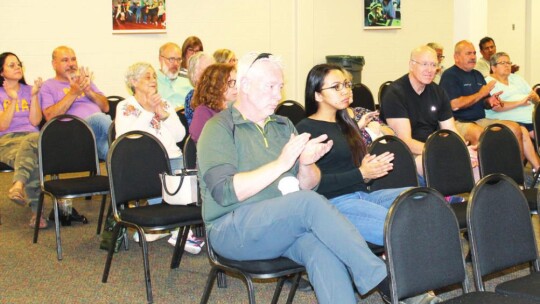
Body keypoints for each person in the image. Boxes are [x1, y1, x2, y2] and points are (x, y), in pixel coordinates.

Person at [197, 52, 389, 304]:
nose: (278, 95)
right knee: (307, 203)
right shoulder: (219, 128)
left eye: (280, 87)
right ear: (244, 85)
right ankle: (382, 278)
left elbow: (308, 184)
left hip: (280, 224)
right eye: (270, 87)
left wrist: (306, 163)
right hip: (231, 229)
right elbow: (225, 192)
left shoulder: (283, 125)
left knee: (322, 250)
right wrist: (282, 163)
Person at [295, 63, 409, 247]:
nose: (345, 91)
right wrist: (361, 173)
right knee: (398, 227)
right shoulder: (306, 129)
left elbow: (357, 174)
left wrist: (370, 171)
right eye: (336, 87)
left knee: (420, 200)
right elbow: (311, 186)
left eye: (346, 85)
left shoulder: (347, 125)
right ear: (317, 95)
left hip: (363, 195)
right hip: (333, 203)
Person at [115, 62, 203, 250]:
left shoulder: (163, 103)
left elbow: (180, 135)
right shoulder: (125, 106)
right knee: (167, 175)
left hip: (173, 159)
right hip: (143, 163)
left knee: (185, 173)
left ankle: (168, 229)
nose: (153, 80)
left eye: (154, 76)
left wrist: (164, 116)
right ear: (133, 82)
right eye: (147, 77)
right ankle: (179, 232)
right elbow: (127, 137)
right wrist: (148, 112)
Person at [440, 40, 540, 171]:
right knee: (481, 134)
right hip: (459, 121)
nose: (473, 57)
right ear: (456, 57)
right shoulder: (450, 75)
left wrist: (490, 101)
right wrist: (481, 93)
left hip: (480, 119)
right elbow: (454, 105)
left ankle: (517, 173)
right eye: (468, 53)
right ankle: (486, 179)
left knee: (517, 128)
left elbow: (485, 102)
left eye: (474, 53)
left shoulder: (477, 75)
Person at [382, 45, 475, 175]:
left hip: (433, 148)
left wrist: (463, 149)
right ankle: (443, 195)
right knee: (434, 161)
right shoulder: (395, 93)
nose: (429, 70)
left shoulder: (438, 92)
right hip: (406, 154)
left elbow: (451, 129)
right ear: (411, 65)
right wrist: (441, 150)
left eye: (433, 65)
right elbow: (405, 141)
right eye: (424, 64)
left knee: (474, 163)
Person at [40, 46, 111, 161]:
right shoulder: (48, 86)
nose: (71, 64)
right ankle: (122, 141)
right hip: (72, 132)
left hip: (96, 135)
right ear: (54, 64)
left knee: (114, 151)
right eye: (65, 60)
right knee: (100, 118)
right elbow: (49, 116)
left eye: (73, 59)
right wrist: (73, 93)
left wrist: (88, 91)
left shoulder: (85, 81)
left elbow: (106, 107)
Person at [0, 52, 46, 228]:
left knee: (33, 139)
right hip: (7, 141)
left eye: (18, 64)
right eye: (11, 65)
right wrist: (13, 99)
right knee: (33, 160)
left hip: (32, 138)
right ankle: (37, 213)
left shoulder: (31, 90)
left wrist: (34, 96)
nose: (17, 67)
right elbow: (3, 126)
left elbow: (35, 122)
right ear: (1, 72)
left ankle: (18, 185)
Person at [485, 52, 540, 139]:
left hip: (532, 115)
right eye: (503, 63)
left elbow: (534, 97)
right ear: (493, 68)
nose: (507, 65)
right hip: (515, 118)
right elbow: (497, 107)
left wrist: (535, 97)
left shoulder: (516, 78)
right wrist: (520, 103)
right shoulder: (489, 82)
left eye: (508, 63)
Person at [189, 63, 237, 143]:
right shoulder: (203, 112)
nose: (236, 87)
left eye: (236, 82)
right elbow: (201, 140)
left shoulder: (236, 109)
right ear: (216, 85)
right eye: (230, 82)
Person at [157, 42, 192, 110]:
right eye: (172, 59)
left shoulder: (188, 81)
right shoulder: (152, 82)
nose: (176, 63)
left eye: (179, 59)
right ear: (160, 59)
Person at [183, 52, 214, 126]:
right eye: (207, 70)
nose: (213, 73)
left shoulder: (220, 92)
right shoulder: (192, 97)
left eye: (214, 69)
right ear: (194, 74)